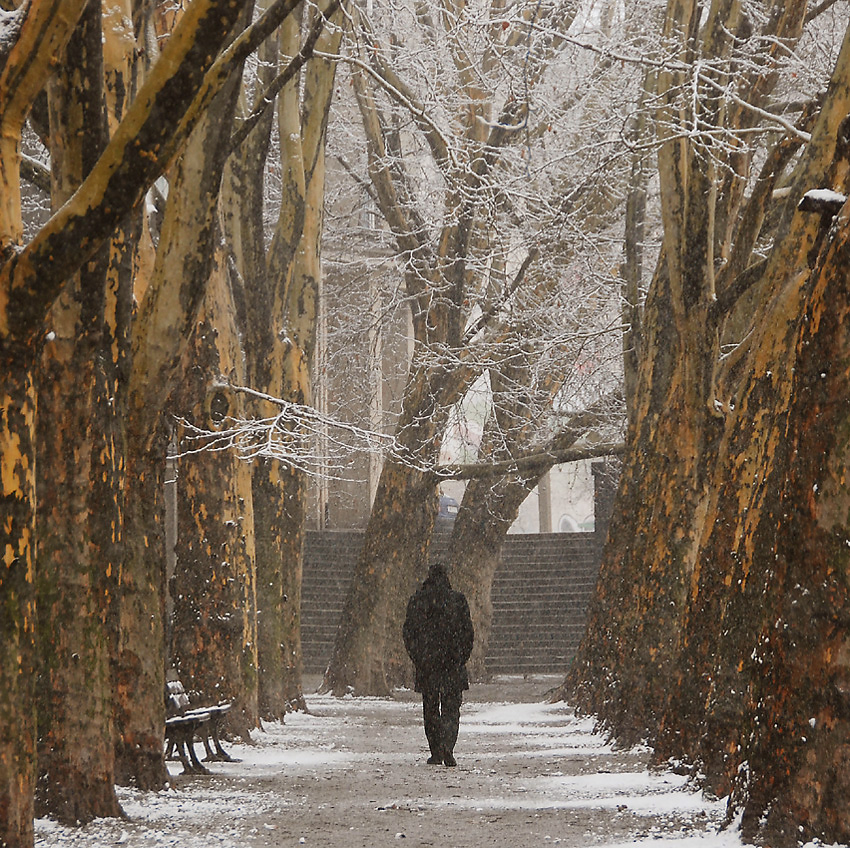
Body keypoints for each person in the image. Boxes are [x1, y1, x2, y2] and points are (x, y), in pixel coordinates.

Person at [402, 561, 474, 767]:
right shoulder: (458, 601)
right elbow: (468, 633)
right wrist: (461, 657)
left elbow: (409, 633)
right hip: (452, 662)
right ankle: (448, 746)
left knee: (431, 707)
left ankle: (436, 750)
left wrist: (418, 657)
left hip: (428, 664)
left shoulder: (418, 600)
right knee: (451, 707)